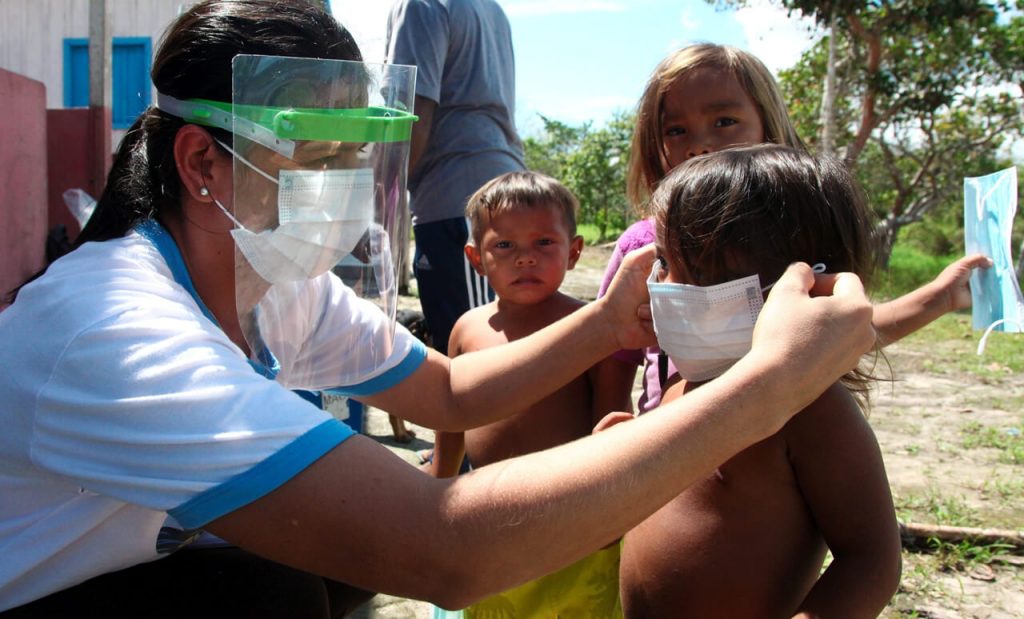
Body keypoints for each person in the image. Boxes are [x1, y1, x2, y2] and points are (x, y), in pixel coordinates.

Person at [0, 3, 877, 617]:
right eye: (319, 152)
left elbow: (453, 391)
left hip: (127, 573)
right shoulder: (114, 329)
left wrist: (609, 324)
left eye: (358, 153)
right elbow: (445, 551)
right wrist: (768, 384)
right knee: (281, 582)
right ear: (201, 161)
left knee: (301, 572)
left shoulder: (276, 288)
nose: (343, 183)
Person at [598, 43, 993, 414]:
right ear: (655, 143)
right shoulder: (645, 247)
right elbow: (613, 359)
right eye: (676, 130)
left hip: (783, 441)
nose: (700, 144)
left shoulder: (792, 237)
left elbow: (849, 329)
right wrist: (610, 450)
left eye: (724, 121)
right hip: (662, 450)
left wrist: (940, 297)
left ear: (769, 127)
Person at [612, 144, 902, 617]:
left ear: (807, 283)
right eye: (663, 261)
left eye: (698, 268)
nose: (664, 284)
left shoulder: (811, 410)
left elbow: (872, 560)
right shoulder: (680, 386)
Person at [429, 171, 632, 617]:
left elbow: (613, 423)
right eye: (504, 246)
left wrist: (612, 518)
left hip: (571, 525)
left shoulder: (593, 329)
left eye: (544, 243)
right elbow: (451, 415)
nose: (525, 259)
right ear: (476, 258)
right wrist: (436, 492)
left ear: (574, 251)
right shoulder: (468, 329)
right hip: (487, 522)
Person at [385, 0, 526, 356]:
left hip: (460, 201)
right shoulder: (489, 9)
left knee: (477, 359)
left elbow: (411, 113)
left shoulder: (421, 5)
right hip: (492, 189)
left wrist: (376, 202)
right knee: (497, 352)